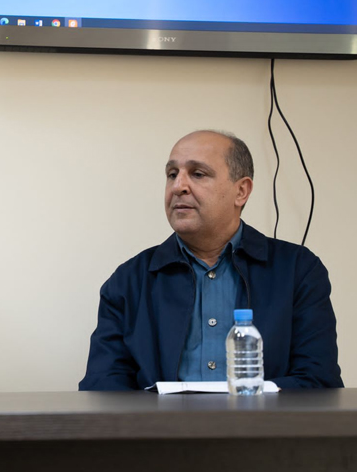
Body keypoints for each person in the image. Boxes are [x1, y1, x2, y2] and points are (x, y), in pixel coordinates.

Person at [79, 130, 343, 391]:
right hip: (162, 421)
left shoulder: (297, 270)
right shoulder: (129, 281)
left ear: (241, 191)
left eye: (198, 174)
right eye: (172, 174)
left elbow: (318, 381)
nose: (178, 186)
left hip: (263, 420)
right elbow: (102, 388)